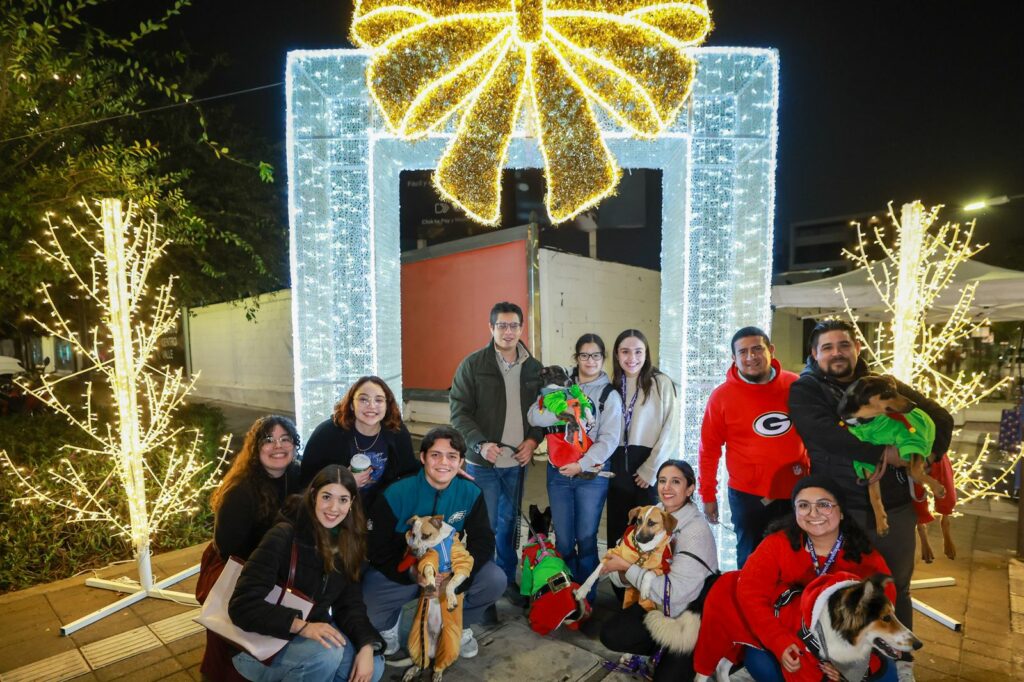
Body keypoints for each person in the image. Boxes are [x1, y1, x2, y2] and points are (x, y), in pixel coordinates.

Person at [788, 319, 952, 681]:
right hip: (838, 510)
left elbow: (940, 416)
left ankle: (901, 665)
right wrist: (885, 454)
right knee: (842, 591)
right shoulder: (806, 389)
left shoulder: (883, 383)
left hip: (894, 506)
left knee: (897, 587)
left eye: (844, 345)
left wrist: (926, 456)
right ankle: (841, 666)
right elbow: (826, 436)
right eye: (827, 347)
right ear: (814, 353)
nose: (837, 353)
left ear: (857, 348)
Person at [694, 475, 898, 681]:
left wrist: (851, 661)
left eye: (824, 505)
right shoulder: (776, 545)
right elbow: (750, 593)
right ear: (795, 511)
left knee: (885, 674)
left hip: (847, 641)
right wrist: (778, 640)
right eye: (803, 505)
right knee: (760, 662)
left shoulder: (864, 557)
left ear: (841, 511)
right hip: (789, 634)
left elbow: (882, 606)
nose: (813, 513)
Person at [361, 426, 506, 663]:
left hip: (448, 571)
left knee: (495, 579)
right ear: (423, 457)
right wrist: (412, 573)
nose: (443, 463)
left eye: (452, 456)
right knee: (368, 604)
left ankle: (457, 624)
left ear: (461, 462)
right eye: (435, 455)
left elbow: (483, 540)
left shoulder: (470, 492)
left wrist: (457, 577)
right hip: (406, 569)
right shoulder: (396, 492)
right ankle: (388, 625)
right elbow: (376, 547)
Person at [228, 465, 385, 682]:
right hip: (259, 644)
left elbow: (350, 604)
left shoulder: (348, 542)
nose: (334, 508)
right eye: (326, 497)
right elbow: (241, 607)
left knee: (374, 664)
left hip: (308, 632)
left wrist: (366, 644)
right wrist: (301, 626)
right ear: (313, 495)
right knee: (326, 655)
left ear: (352, 503)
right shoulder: (284, 535)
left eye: (343, 500)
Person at [449, 301, 543, 604]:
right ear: (491, 328)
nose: (508, 331)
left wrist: (533, 441)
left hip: (516, 463)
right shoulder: (473, 365)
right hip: (483, 465)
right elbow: (459, 412)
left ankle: (505, 579)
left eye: (514, 325)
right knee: (484, 528)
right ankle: (482, 588)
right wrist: (480, 444)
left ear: (521, 328)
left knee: (509, 525)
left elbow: (544, 413)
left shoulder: (534, 368)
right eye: (502, 325)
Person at [200, 415, 302, 680]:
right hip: (237, 565)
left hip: (276, 562)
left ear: (294, 445)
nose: (278, 446)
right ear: (256, 448)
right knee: (238, 621)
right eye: (268, 440)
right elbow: (228, 548)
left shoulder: (296, 475)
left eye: (285, 439)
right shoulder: (240, 489)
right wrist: (269, 567)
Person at [699, 326, 809, 567]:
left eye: (757, 349)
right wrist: (708, 494)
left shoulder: (796, 386)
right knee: (751, 562)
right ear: (734, 358)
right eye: (743, 352)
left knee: (796, 561)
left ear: (771, 350)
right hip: (748, 496)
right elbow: (709, 450)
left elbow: (814, 436)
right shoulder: (721, 397)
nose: (751, 357)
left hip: (796, 490)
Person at [599, 460, 718, 681]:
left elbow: (675, 595)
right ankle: (659, 651)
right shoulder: (653, 514)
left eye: (676, 482)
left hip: (689, 614)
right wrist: (623, 571)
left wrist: (627, 568)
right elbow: (618, 566)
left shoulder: (695, 532)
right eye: (662, 481)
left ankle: (703, 654)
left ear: (690, 489)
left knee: (668, 678)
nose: (666, 487)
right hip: (657, 602)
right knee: (611, 634)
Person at [527, 333, 623, 600]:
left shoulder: (609, 395)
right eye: (584, 355)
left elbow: (609, 439)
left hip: (591, 475)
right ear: (577, 357)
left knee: (586, 538)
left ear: (603, 358)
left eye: (596, 356)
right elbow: (533, 415)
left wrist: (581, 465)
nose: (590, 361)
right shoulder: (558, 385)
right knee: (564, 540)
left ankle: (586, 599)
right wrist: (563, 411)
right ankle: (564, 598)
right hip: (558, 473)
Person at [301, 375, 418, 512]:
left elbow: (408, 472)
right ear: (351, 405)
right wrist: (344, 482)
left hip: (378, 508)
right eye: (363, 399)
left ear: (387, 405)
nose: (371, 406)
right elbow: (307, 480)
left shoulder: (397, 432)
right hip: (335, 510)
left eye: (379, 400)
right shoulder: (328, 433)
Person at [607, 329, 678, 550]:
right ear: (617, 354)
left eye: (638, 352)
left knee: (648, 534)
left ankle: (648, 573)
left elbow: (671, 429)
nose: (632, 358)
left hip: (648, 466)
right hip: (618, 464)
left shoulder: (661, 383)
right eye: (625, 352)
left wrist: (651, 469)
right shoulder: (614, 384)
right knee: (619, 530)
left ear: (646, 354)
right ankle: (619, 573)